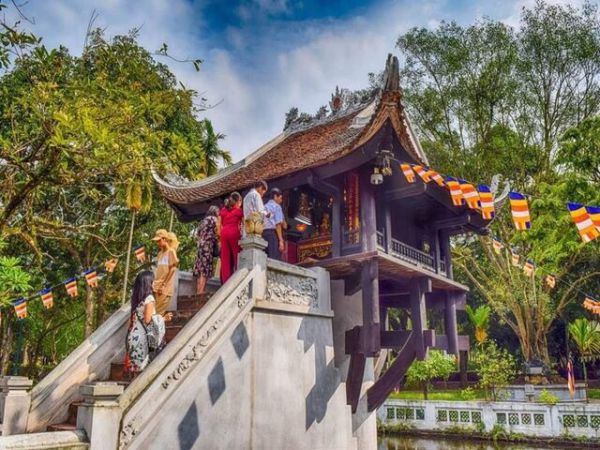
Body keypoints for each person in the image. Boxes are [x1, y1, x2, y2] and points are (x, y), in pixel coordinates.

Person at [125, 270, 158, 375]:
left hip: (133, 336)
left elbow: (130, 321)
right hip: (142, 339)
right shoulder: (149, 298)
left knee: (135, 369)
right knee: (142, 371)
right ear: (148, 283)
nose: (155, 283)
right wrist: (161, 320)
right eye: (153, 281)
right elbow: (148, 320)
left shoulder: (137, 300)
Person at [151, 229, 179, 316]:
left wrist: (163, 285)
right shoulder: (160, 254)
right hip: (156, 286)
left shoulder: (171, 252)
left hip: (164, 289)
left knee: (158, 314)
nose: (158, 243)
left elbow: (173, 269)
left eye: (159, 241)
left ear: (164, 239)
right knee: (152, 312)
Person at [193, 205, 219, 294]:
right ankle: (201, 291)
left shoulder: (203, 221)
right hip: (208, 247)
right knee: (205, 269)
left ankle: (197, 290)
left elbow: (198, 234)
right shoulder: (214, 220)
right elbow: (218, 231)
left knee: (199, 269)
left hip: (200, 246)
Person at [219, 192, 243, 283]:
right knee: (237, 256)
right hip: (234, 233)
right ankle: (237, 279)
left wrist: (220, 235)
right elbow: (245, 223)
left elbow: (219, 223)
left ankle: (226, 281)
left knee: (225, 258)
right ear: (238, 202)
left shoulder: (224, 210)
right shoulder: (238, 211)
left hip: (224, 233)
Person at [263, 187, 285, 260]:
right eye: (280, 198)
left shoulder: (264, 206)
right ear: (275, 196)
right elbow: (278, 224)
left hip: (263, 234)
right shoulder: (277, 207)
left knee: (265, 258)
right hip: (272, 234)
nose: (281, 201)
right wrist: (281, 241)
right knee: (273, 259)